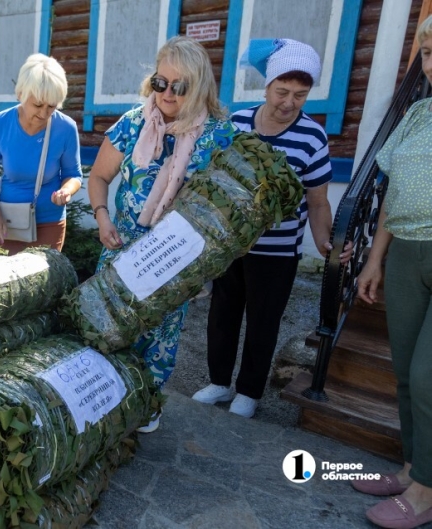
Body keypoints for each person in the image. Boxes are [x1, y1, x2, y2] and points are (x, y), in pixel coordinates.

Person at [192, 39, 353, 419]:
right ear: (266, 87)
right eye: (282, 91)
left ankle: (249, 391)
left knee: (263, 322)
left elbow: (317, 201)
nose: (289, 102)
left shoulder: (312, 137)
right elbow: (213, 180)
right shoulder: (238, 124)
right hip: (230, 246)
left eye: (300, 94)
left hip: (278, 251)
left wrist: (325, 241)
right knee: (222, 314)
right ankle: (218, 382)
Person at [88, 36, 236, 432]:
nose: (167, 93)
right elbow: (100, 177)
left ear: (200, 85)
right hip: (121, 253)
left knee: (160, 336)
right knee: (111, 330)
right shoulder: (134, 123)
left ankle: (146, 404)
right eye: (160, 82)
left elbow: (229, 206)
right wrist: (103, 217)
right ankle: (105, 400)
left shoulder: (219, 136)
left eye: (180, 85)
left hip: (174, 260)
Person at [350, 17, 432, 529]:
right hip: (405, 251)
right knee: (405, 373)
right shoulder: (418, 114)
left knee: (428, 377)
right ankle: (412, 469)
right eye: (427, 52)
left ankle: (426, 492)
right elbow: (391, 191)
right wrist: (375, 258)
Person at [0, 53, 83, 254]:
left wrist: (66, 191)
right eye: (38, 105)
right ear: (21, 94)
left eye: (51, 106)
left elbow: (74, 174)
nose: (43, 114)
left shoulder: (66, 128)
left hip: (51, 221)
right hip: (7, 222)